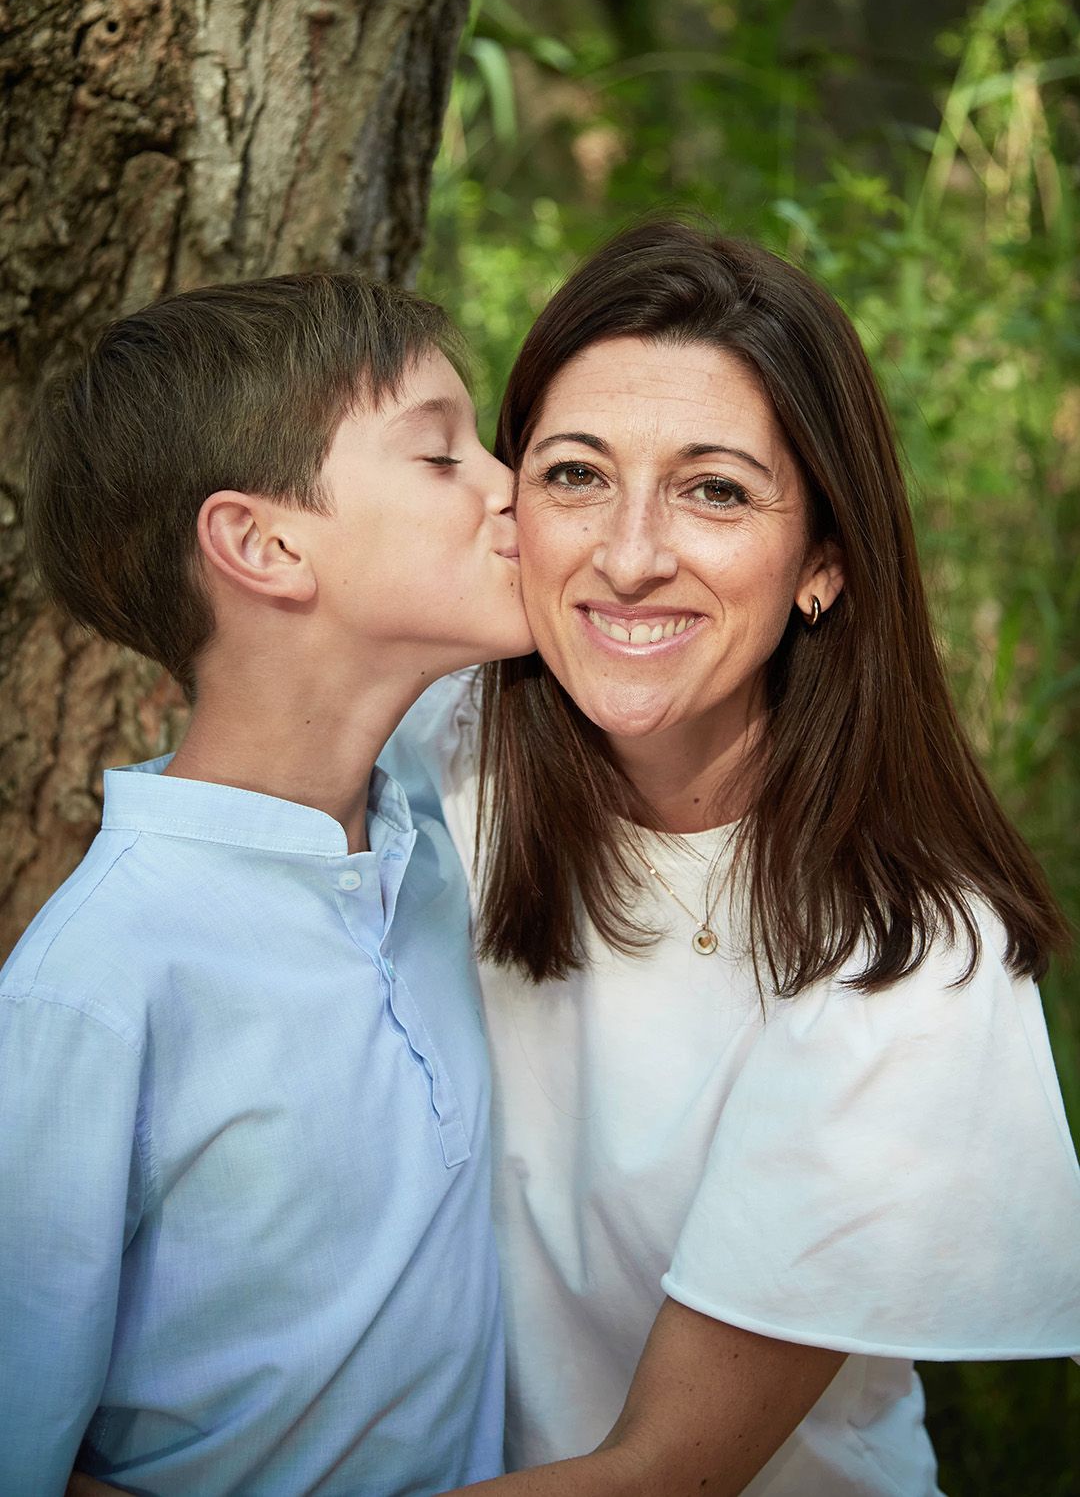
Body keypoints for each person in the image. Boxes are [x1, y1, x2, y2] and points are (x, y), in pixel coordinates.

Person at [384, 218, 1080, 1496]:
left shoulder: (914, 952)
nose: (630, 557)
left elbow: (664, 1475)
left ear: (824, 561)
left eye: (714, 490)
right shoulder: (432, 754)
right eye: (576, 475)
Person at [0, 273, 535, 1496]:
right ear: (263, 545)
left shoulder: (422, 837)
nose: (513, 485)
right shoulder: (95, 987)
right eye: (441, 455)